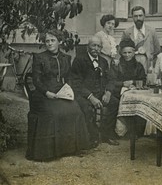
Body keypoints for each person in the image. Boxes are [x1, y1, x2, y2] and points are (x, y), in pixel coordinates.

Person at [26, 29, 89, 161]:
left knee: (75, 110)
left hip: (61, 92)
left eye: (52, 40)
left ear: (59, 42)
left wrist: (69, 90)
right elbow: (36, 80)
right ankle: (49, 152)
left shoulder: (66, 58)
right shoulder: (39, 57)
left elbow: (69, 77)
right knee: (54, 113)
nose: (49, 43)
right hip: (43, 94)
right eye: (47, 41)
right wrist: (47, 92)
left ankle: (70, 148)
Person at [71, 36, 120, 146]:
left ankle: (106, 134)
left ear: (101, 48)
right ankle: (92, 136)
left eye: (99, 46)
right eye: (94, 45)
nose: (96, 48)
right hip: (84, 94)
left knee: (115, 103)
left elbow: (111, 79)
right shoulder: (79, 60)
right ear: (88, 47)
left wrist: (108, 92)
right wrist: (90, 97)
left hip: (101, 93)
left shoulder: (103, 61)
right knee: (87, 108)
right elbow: (76, 83)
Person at [110, 38, 147, 137]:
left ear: (134, 52)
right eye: (124, 52)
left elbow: (143, 80)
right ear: (121, 53)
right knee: (115, 102)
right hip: (119, 92)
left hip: (135, 92)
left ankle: (136, 131)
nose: (127, 55)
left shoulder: (138, 66)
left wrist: (133, 82)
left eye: (129, 52)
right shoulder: (116, 65)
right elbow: (111, 81)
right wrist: (123, 84)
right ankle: (120, 132)